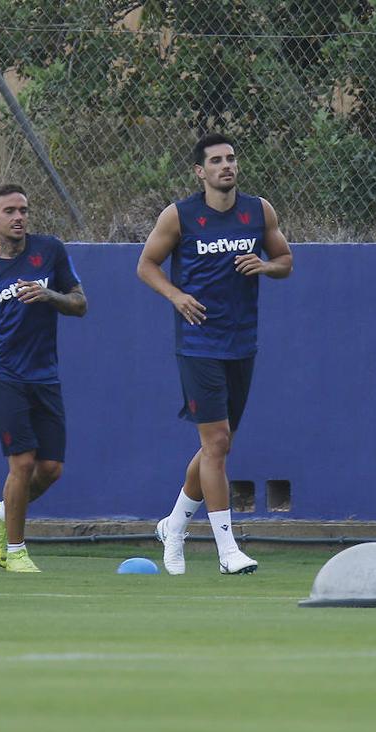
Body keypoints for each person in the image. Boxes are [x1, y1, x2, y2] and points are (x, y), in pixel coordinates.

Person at [137, 134, 293, 576]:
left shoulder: (258, 211)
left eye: (231, 159)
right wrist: (176, 296)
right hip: (199, 344)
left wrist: (264, 265)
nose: (226, 166)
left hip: (242, 344)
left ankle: (175, 525)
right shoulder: (180, 216)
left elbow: (285, 260)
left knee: (215, 449)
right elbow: (146, 264)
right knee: (217, 444)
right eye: (216, 161)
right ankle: (228, 551)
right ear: (199, 172)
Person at [0, 185, 87, 573]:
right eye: (9, 211)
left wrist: (50, 297)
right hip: (2, 374)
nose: (19, 217)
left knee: (51, 469)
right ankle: (15, 550)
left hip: (45, 375)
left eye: (24, 210)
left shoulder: (50, 251)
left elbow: (80, 303)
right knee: (23, 462)